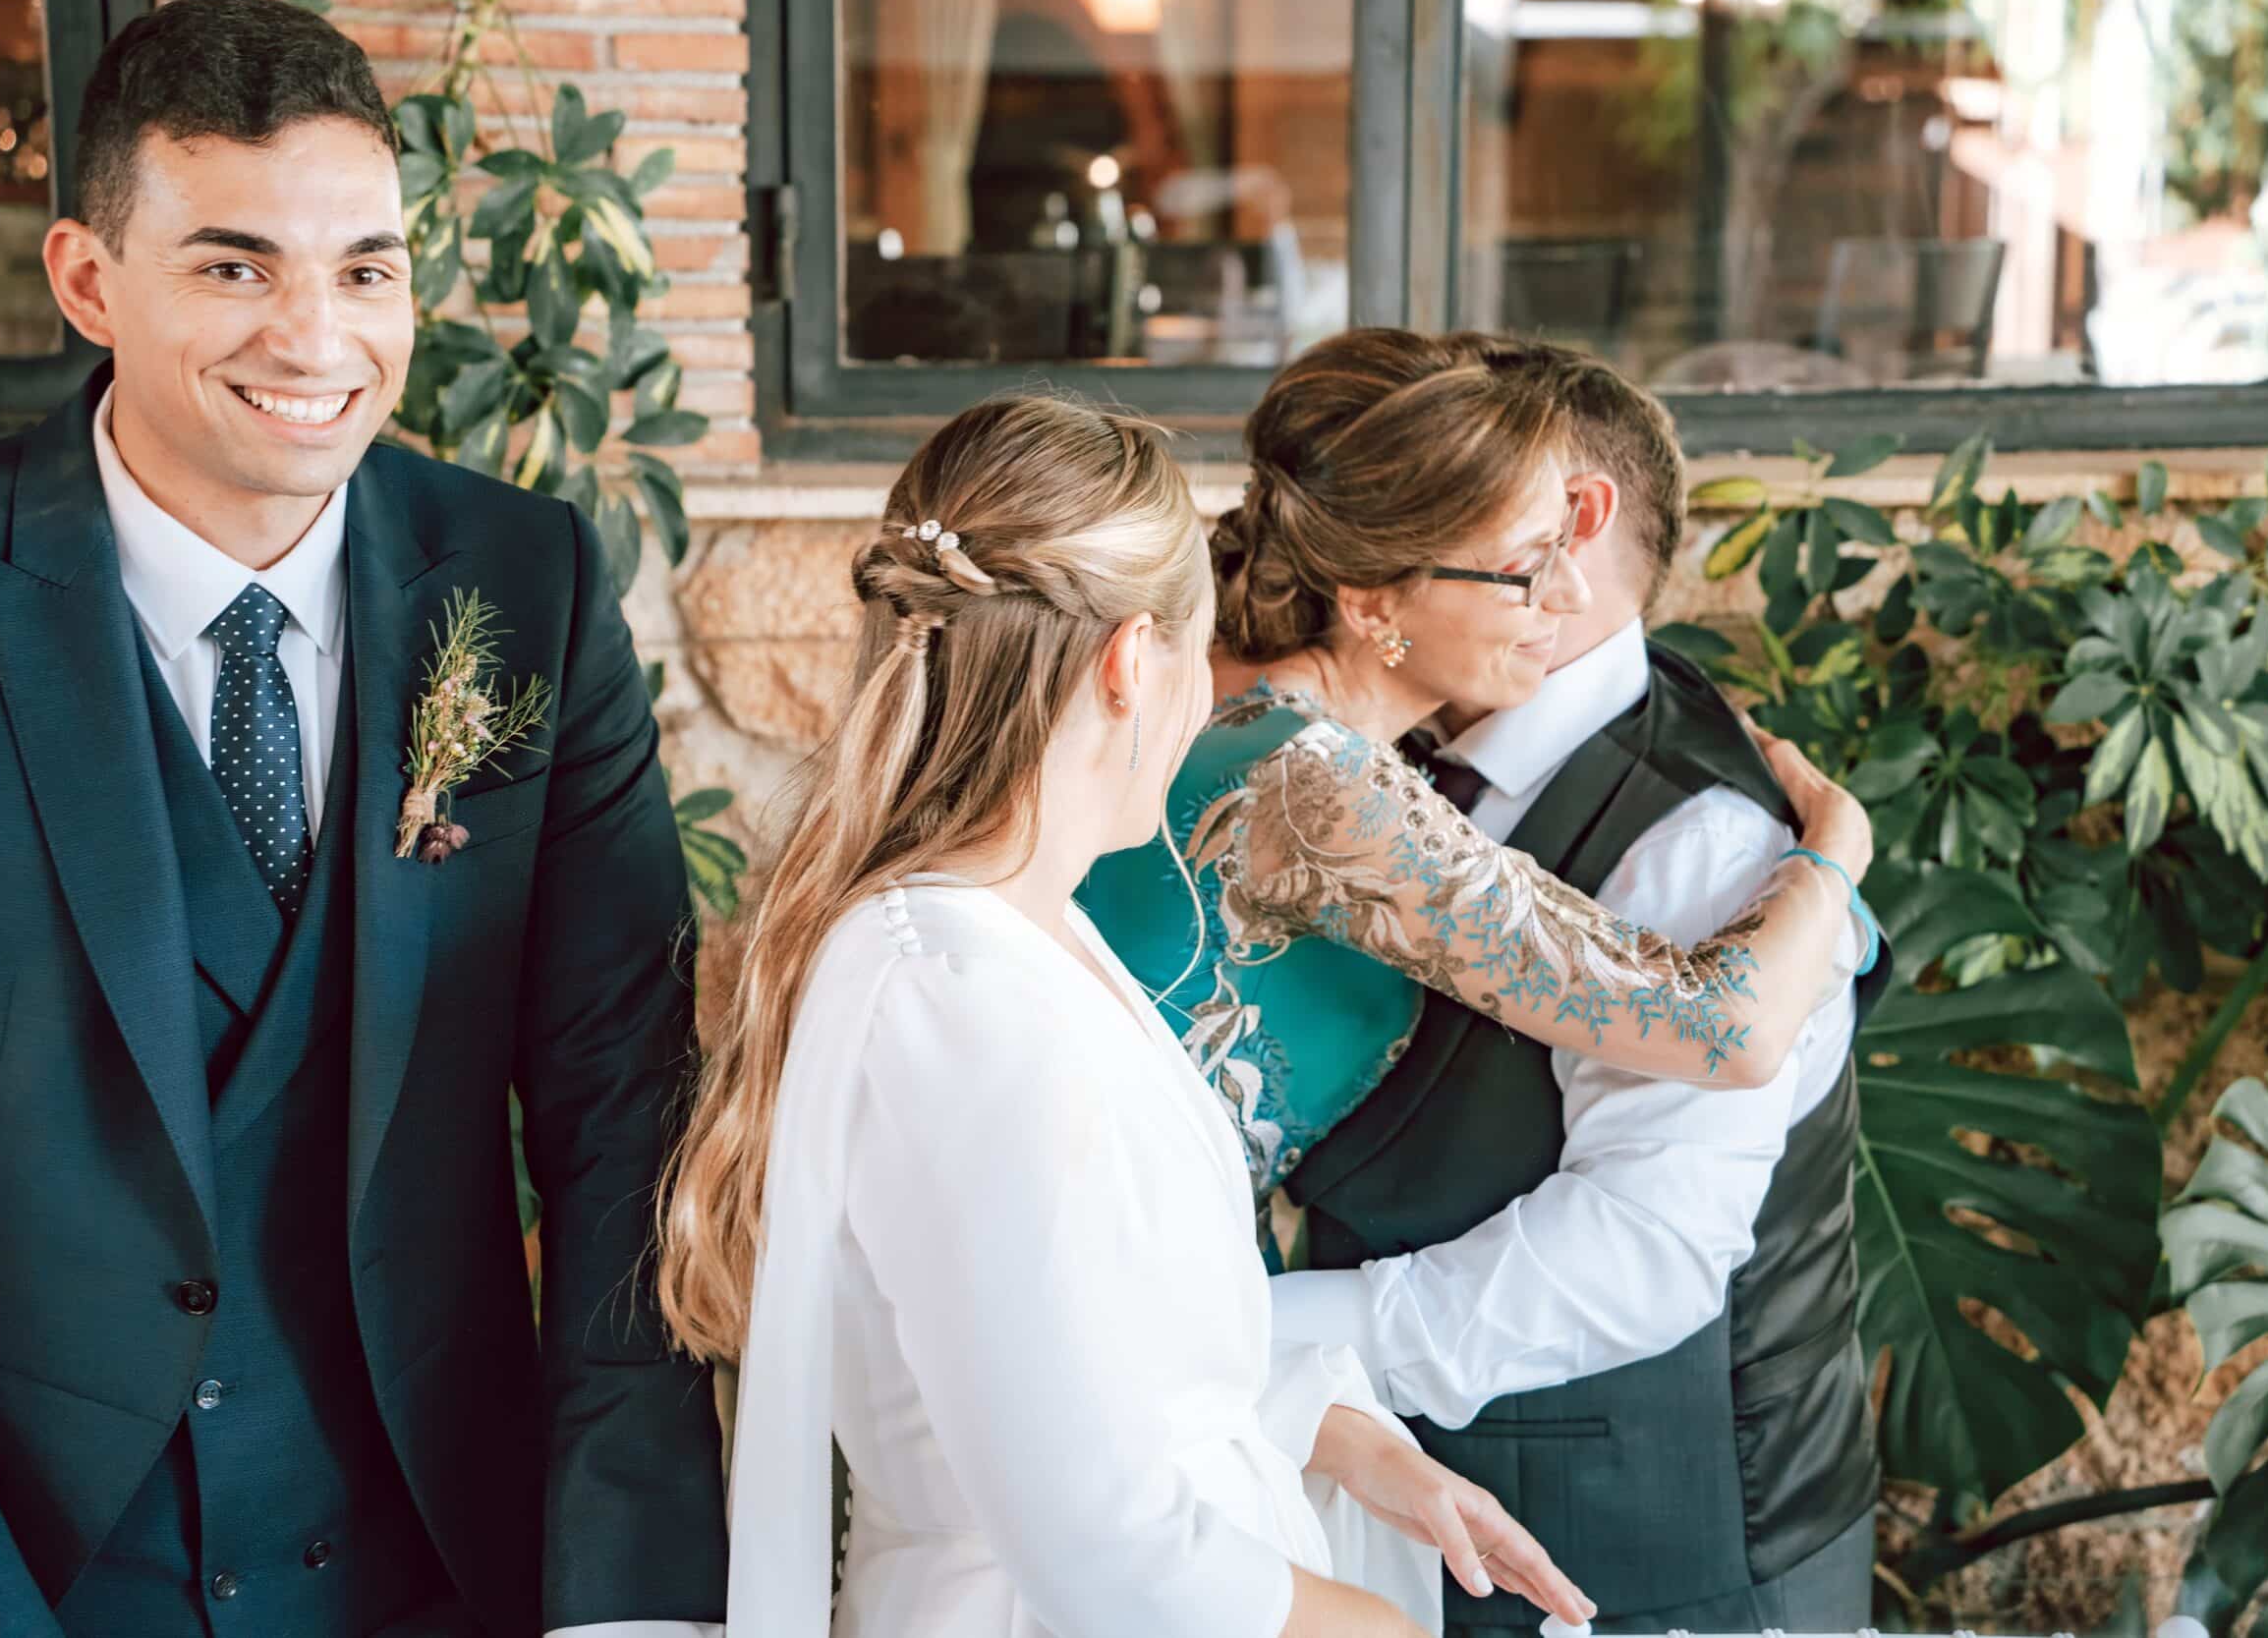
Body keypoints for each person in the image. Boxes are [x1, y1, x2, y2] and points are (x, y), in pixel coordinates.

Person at [0, 0, 724, 1637]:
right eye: (235, 267)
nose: (316, 339)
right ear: (87, 279)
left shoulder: (530, 585)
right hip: (28, 1572)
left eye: (366, 269)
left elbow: (624, 1116)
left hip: (445, 1566)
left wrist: (625, 1601)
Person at [655, 393, 1596, 1638]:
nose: (1208, 700)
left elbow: (1101, 1363)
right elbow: (1104, 1546)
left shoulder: (1036, 931)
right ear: (1129, 662)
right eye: (1200, 657)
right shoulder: (959, 1002)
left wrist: (1346, 1440)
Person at [1276, 351, 1891, 1635]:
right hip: (1400, 1504)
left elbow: (1639, 1254)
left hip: (1646, 1559)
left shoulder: (1705, 842)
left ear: (1575, 519)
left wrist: (1267, 1332)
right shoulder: (1350, 747)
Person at [1075, 328, 1874, 1248]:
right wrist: (1834, 852)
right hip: (1139, 1265)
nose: (1571, 594)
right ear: (1371, 600)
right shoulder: (1323, 788)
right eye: (1527, 566)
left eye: (1564, 546)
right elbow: (1725, 1030)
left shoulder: (1212, 682)